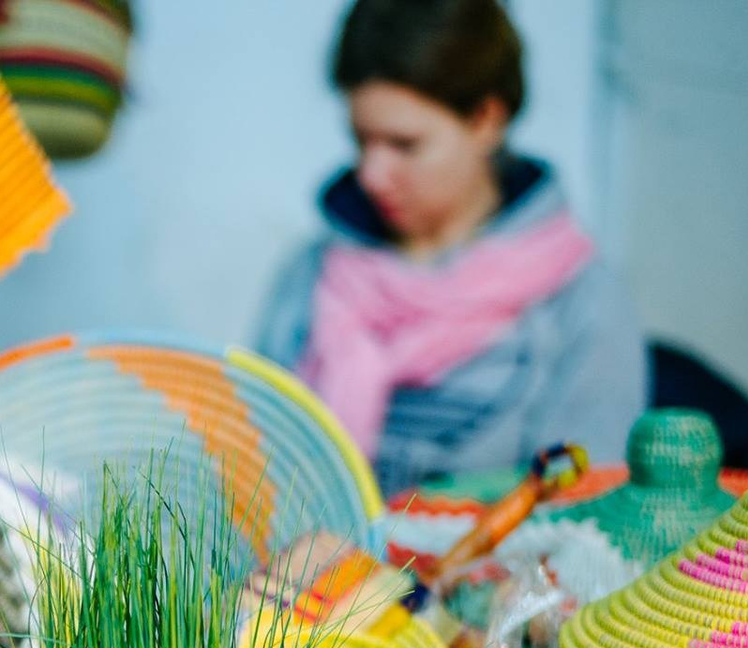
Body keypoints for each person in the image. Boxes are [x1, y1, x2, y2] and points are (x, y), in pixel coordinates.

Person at [256, 0, 645, 497]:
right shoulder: (313, 272)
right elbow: (252, 454)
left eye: (404, 145)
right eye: (361, 141)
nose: (372, 175)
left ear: (485, 119)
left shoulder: (580, 298)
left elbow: (582, 501)